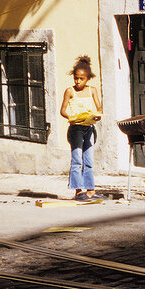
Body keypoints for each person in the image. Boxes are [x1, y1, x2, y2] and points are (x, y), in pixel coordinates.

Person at [59, 55, 102, 201]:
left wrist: (97, 116)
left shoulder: (92, 91)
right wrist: (71, 118)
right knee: (77, 160)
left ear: (88, 78)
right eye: (76, 78)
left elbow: (99, 108)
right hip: (76, 128)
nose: (78, 81)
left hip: (89, 128)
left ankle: (90, 190)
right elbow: (63, 110)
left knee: (88, 160)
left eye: (81, 79)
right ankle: (78, 191)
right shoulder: (70, 91)